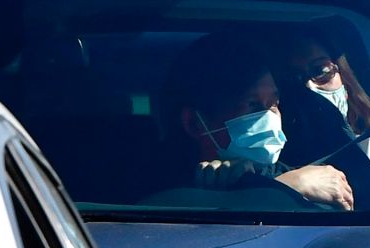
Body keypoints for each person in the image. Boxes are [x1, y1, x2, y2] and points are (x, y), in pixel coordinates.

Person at [150, 32, 356, 211]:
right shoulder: (158, 173)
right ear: (194, 123)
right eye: (253, 105)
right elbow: (149, 212)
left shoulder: (302, 173)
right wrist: (285, 188)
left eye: (274, 103)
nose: (270, 117)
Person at [274, 30, 370, 200]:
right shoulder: (268, 152)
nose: (309, 87)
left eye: (321, 71)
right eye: (294, 79)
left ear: (344, 76)